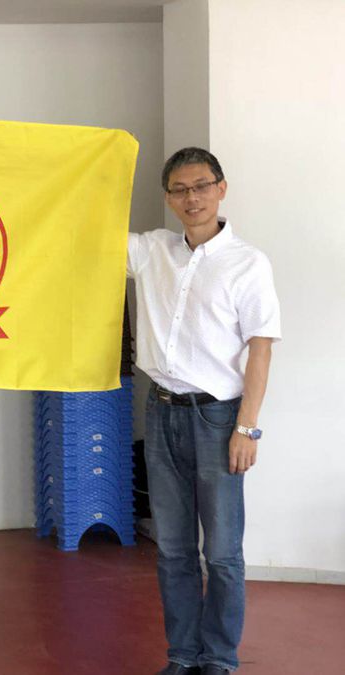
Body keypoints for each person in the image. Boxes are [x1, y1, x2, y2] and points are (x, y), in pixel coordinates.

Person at [127, 147, 281, 675]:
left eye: (201, 186)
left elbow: (260, 348)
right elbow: (86, 234)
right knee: (172, 549)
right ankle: (182, 655)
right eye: (179, 189)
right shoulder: (151, 250)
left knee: (221, 552)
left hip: (219, 420)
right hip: (161, 411)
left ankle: (219, 658)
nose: (191, 198)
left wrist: (247, 428)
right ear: (168, 198)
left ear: (221, 189)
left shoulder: (248, 263)